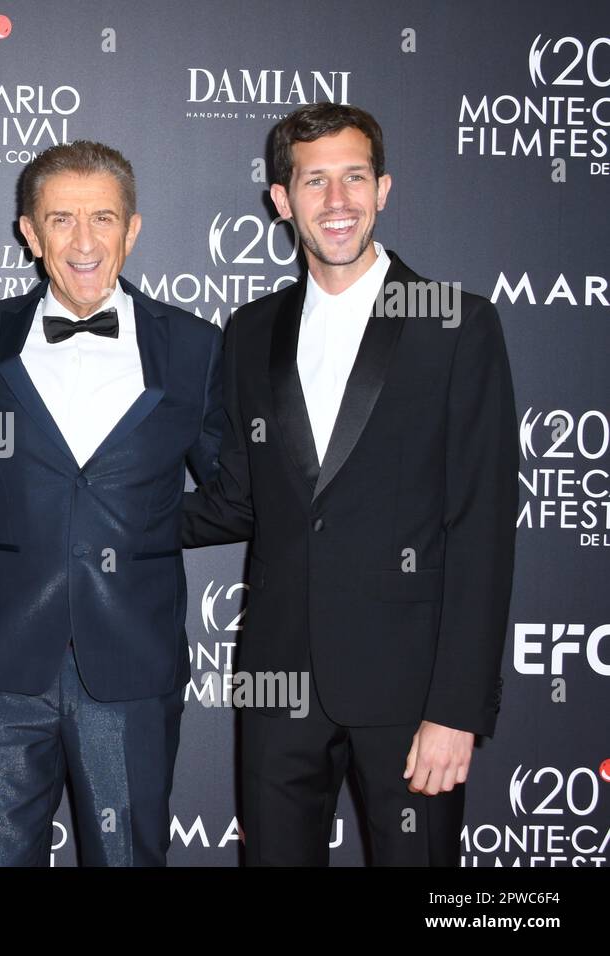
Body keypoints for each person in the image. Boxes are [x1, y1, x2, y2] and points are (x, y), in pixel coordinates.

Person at [181, 103, 518, 866]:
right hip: (277, 689)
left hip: (411, 698)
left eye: (354, 178)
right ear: (281, 200)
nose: (337, 201)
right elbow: (237, 497)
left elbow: (483, 529)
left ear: (385, 188)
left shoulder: (456, 324)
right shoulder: (250, 330)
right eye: (314, 181)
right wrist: (99, 515)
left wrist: (457, 711)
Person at [0, 141, 223, 866]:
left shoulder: (195, 347)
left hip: (130, 665)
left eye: (103, 217)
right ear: (30, 234)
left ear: (132, 230)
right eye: (61, 219)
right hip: (2, 664)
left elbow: (237, 496)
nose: (83, 240)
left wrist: (139, 528)